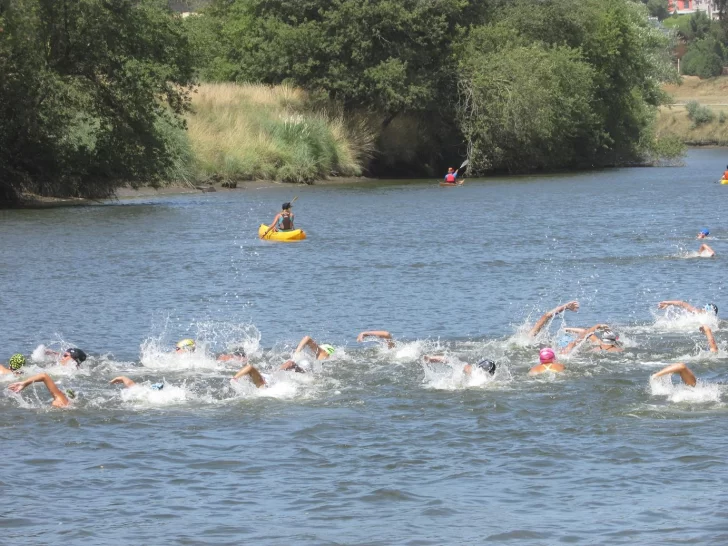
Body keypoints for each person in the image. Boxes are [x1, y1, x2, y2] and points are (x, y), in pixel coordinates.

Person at [8, 373, 75, 407]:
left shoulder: (61, 400)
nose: (59, 391)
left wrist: (25, 383)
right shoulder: (68, 404)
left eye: (62, 392)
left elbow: (44, 376)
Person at [423, 355, 497, 376]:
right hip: (472, 369)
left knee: (450, 360)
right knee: (451, 360)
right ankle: (430, 359)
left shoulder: (471, 371)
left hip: (469, 369)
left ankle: (430, 359)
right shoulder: (480, 377)